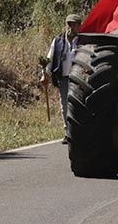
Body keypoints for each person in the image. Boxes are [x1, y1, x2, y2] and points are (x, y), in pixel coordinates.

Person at [41, 13, 81, 142]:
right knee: (64, 105)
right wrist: (44, 74)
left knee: (78, 106)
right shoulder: (58, 40)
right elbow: (49, 58)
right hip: (63, 78)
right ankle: (67, 132)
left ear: (79, 26)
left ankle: (78, 131)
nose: (71, 27)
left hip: (79, 80)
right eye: (69, 24)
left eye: (74, 25)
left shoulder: (82, 41)